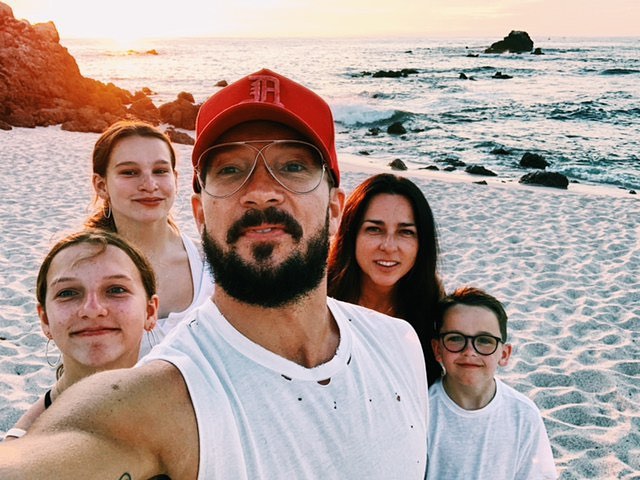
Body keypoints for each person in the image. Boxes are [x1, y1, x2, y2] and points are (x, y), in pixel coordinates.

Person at [0, 68, 428, 479]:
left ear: (335, 207)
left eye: (293, 166)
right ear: (200, 213)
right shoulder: (164, 396)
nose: (261, 190)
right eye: (231, 170)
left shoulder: (398, 345)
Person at [3, 230, 158, 441]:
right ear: (45, 319)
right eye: (67, 293)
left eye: (116, 289)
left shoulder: (195, 408)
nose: (92, 309)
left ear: (150, 311)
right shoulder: (24, 449)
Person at [86, 120, 213, 356]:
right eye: (130, 172)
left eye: (160, 171)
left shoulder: (210, 263)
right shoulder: (82, 269)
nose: (149, 185)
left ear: (175, 179)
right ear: (101, 185)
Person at [427, 286, 557, 479]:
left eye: (484, 341)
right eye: (455, 338)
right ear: (437, 349)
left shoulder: (523, 415)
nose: (470, 351)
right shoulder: (422, 410)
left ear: (504, 354)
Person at [328, 173, 443, 385]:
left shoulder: (434, 308)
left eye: (406, 232)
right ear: (351, 234)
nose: (389, 246)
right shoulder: (320, 299)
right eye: (374, 229)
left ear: (422, 243)